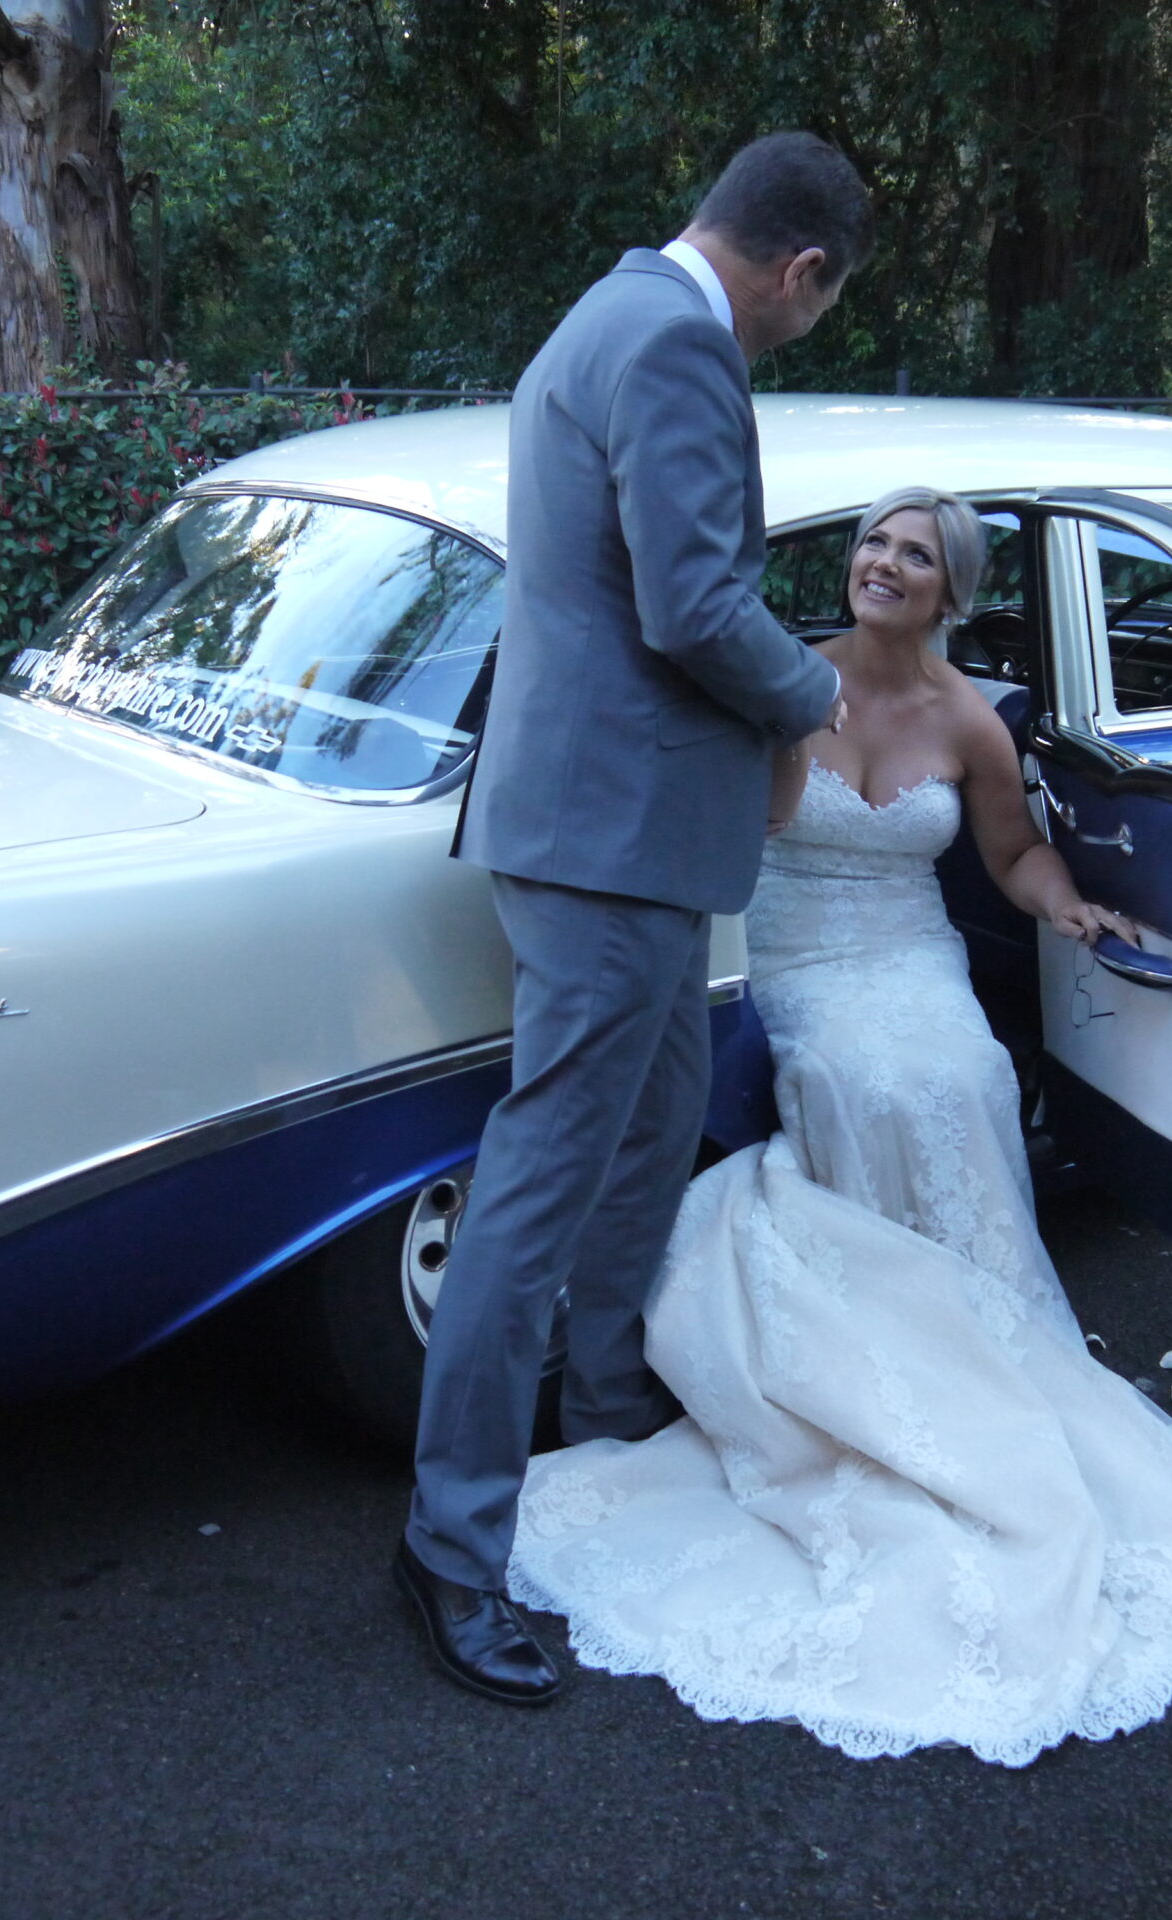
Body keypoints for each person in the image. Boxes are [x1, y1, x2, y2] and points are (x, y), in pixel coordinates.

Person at [503, 489, 1172, 1767]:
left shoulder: (969, 719)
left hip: (909, 954)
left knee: (963, 1072)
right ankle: (867, 1343)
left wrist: (1074, 908)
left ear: (950, 594)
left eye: (913, 555)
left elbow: (1013, 849)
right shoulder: (790, 683)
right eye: (873, 544)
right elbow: (740, 828)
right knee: (861, 1079)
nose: (881, 564)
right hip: (800, 952)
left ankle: (967, 1329)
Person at [396, 133, 871, 1705]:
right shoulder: (675, 342)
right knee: (536, 1190)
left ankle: (603, 1429)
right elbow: (692, 606)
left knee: (651, 1133)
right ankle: (453, 1551)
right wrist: (817, 701)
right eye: (822, 305)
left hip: (617, 833)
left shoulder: (603, 310)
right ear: (802, 269)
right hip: (612, 843)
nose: (805, 327)